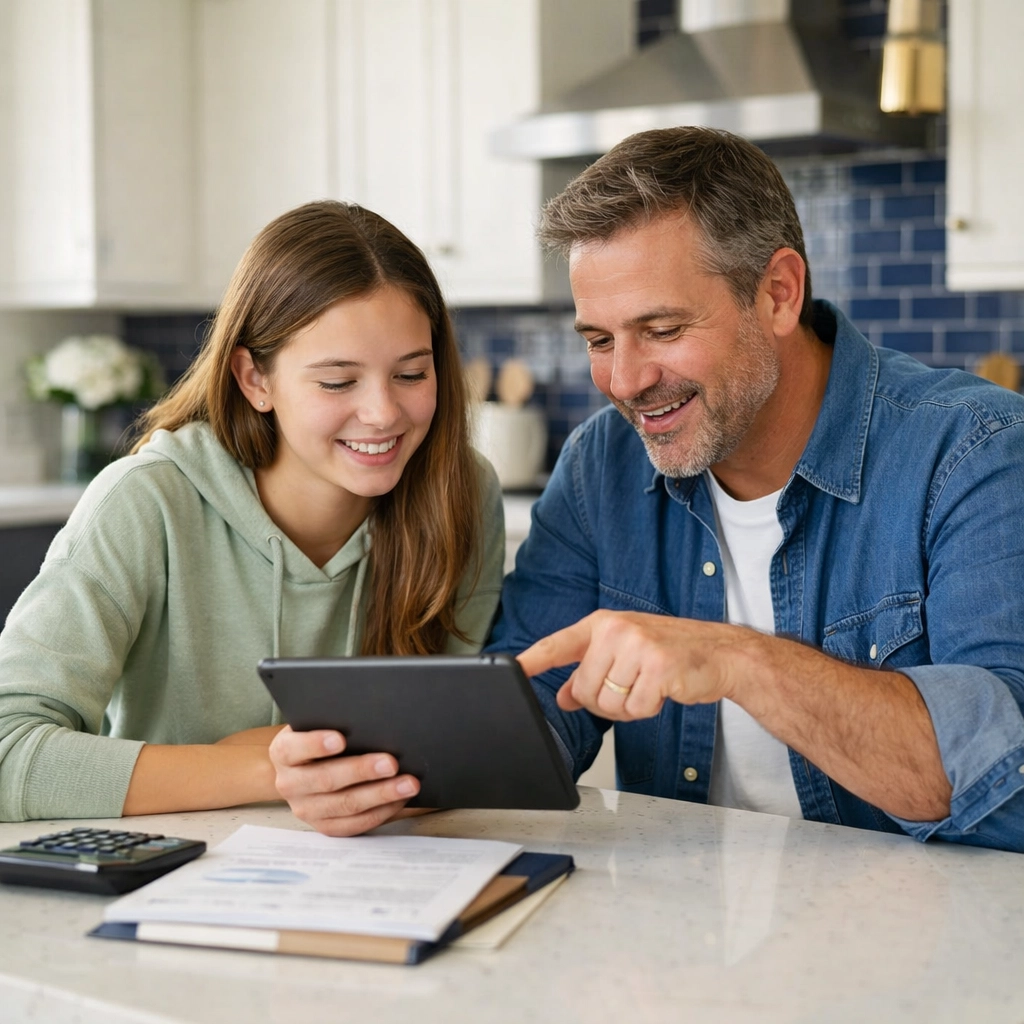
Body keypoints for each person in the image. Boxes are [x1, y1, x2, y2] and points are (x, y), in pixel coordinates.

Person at [492, 126, 1024, 852]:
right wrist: (395, 766)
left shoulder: (975, 453)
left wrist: (736, 661)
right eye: (599, 340)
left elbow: (1007, 785)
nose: (624, 381)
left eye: (663, 328)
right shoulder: (599, 466)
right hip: (673, 913)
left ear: (778, 294)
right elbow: (527, 705)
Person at [0, 200, 504, 835]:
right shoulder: (145, 502)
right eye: (337, 382)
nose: (383, 413)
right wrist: (275, 767)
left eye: (411, 373)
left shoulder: (461, 493)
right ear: (254, 379)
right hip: (174, 867)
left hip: (381, 867)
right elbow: (9, 749)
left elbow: (457, 745)